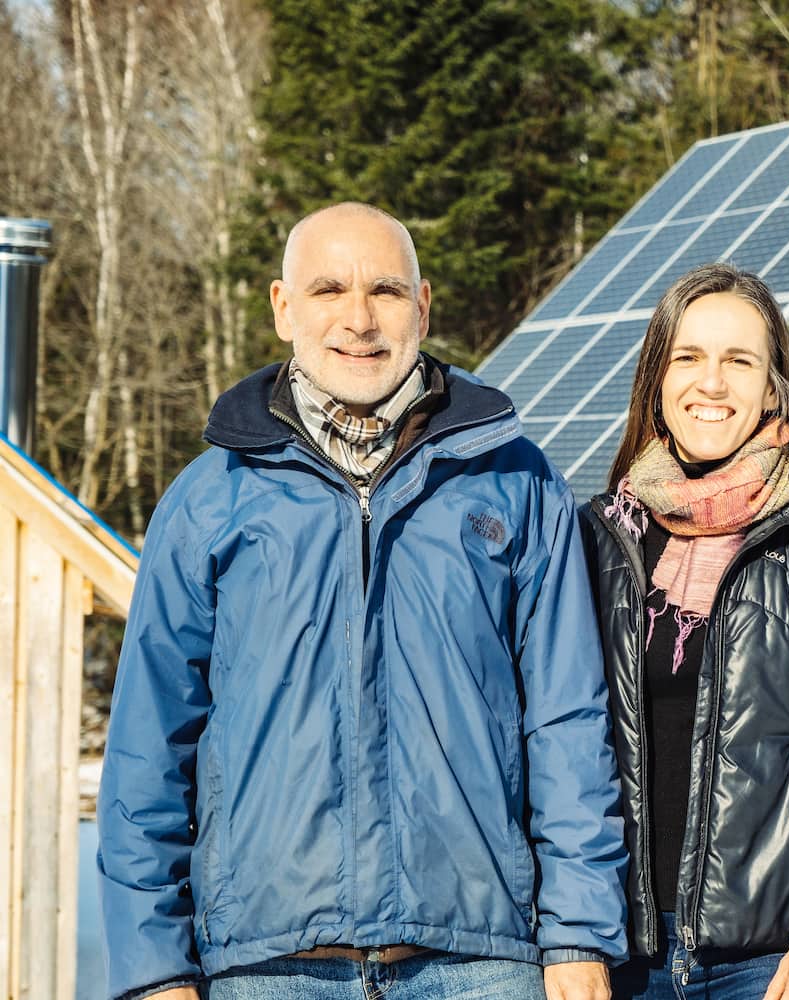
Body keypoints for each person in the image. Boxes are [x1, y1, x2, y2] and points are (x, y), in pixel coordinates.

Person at [97, 202, 626, 1000]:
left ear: (423, 304)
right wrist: (154, 967)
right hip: (267, 964)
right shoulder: (210, 499)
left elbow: (568, 722)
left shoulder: (515, 481)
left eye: (384, 289)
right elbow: (148, 746)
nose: (358, 318)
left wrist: (581, 933)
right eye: (327, 289)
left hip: (480, 959)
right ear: (282, 308)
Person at [578, 263, 789, 1000]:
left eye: (739, 361)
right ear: (656, 379)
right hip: (610, 955)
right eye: (689, 358)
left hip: (767, 965)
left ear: (774, 386)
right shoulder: (597, 538)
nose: (712, 383)